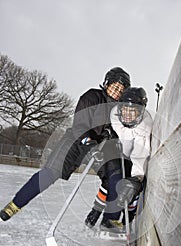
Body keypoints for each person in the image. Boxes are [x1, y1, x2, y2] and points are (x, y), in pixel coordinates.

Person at [0, 67, 130, 222]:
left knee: (114, 176)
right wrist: (88, 143)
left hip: (100, 147)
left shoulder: (118, 109)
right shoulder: (92, 96)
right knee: (49, 174)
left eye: (121, 90)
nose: (117, 92)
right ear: (107, 84)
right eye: (115, 87)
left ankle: (100, 217)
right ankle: (14, 205)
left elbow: (120, 130)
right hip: (76, 141)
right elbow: (80, 125)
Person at [85, 87, 152, 232]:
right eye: (125, 109)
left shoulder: (143, 129)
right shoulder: (114, 115)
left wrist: (137, 178)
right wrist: (105, 135)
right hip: (114, 151)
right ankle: (103, 215)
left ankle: (127, 217)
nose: (127, 114)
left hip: (131, 157)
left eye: (132, 110)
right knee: (113, 180)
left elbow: (139, 156)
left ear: (140, 111)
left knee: (128, 188)